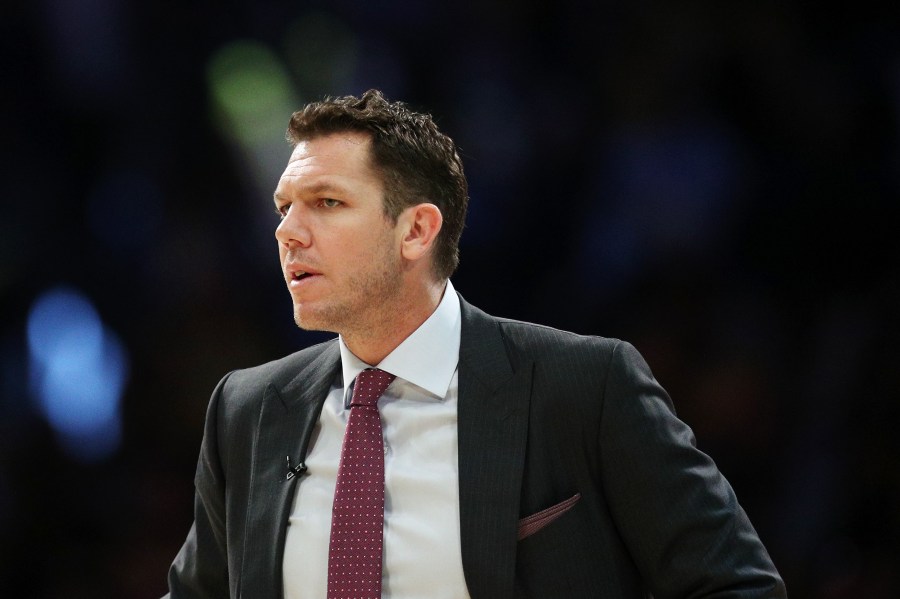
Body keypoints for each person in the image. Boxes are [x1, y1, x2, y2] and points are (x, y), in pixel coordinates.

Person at [165, 89, 787, 598]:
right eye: (283, 207)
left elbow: (736, 585)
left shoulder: (584, 387)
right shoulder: (247, 409)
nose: (289, 233)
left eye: (327, 203)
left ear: (416, 230)